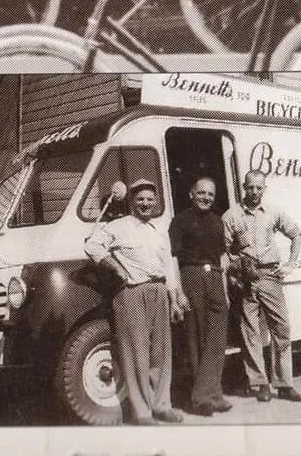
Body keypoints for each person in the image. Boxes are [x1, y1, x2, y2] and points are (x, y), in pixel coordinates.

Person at [85, 179, 188, 425]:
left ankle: (162, 406)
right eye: (140, 199)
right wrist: (115, 267)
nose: (145, 204)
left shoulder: (158, 230)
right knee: (136, 353)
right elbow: (92, 246)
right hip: (131, 292)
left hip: (159, 291)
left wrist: (174, 299)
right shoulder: (118, 226)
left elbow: (168, 267)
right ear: (132, 201)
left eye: (150, 199)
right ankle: (142, 412)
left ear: (156, 202)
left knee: (161, 353)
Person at [222, 170, 301, 403]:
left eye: (259, 187)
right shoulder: (231, 216)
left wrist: (290, 264)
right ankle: (260, 384)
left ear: (264, 189)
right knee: (250, 332)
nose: (254, 191)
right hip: (245, 280)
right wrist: (234, 273)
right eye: (250, 187)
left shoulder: (273, 212)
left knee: (281, 328)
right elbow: (223, 251)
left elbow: (296, 234)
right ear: (244, 187)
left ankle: (284, 384)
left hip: (270, 276)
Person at [168, 177, 232, 416]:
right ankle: (201, 399)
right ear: (191, 194)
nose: (206, 198)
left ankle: (214, 393)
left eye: (210, 194)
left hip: (214, 277)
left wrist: (224, 291)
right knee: (195, 338)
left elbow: (222, 258)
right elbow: (173, 259)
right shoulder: (180, 221)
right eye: (201, 193)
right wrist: (178, 291)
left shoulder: (217, 222)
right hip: (191, 277)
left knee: (217, 339)